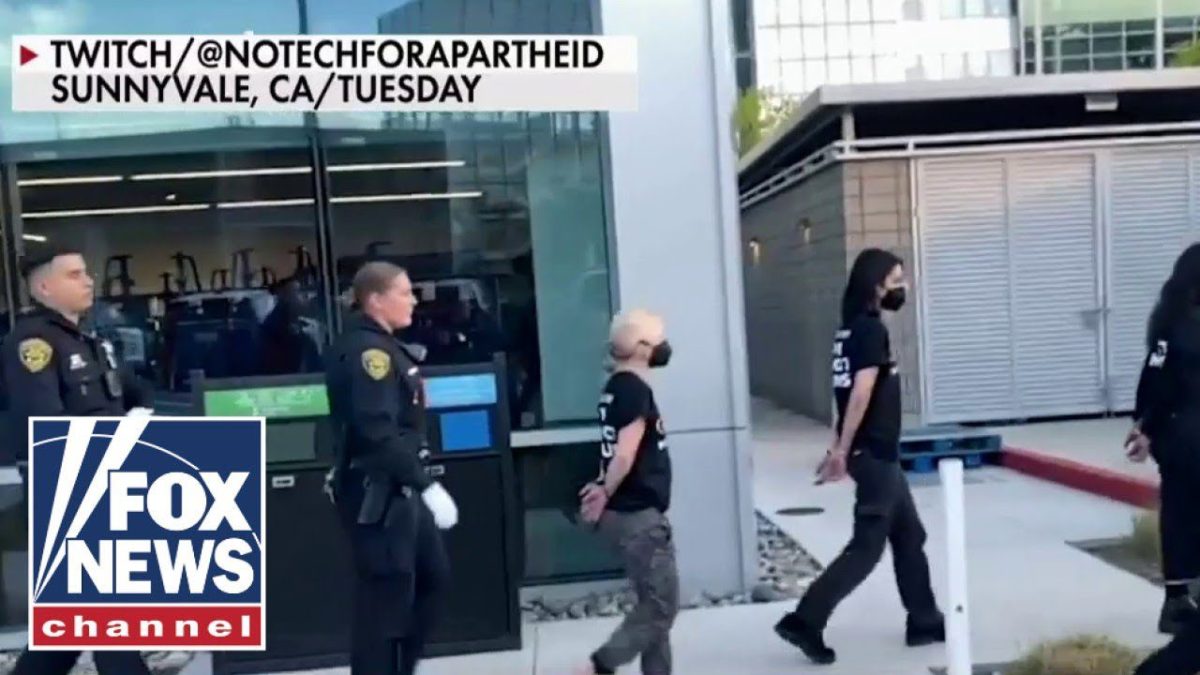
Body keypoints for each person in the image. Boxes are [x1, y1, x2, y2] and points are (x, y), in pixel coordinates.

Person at [774, 248, 944, 666]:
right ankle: (805, 621)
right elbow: (861, 394)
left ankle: (924, 620)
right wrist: (842, 449)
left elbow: (844, 394)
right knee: (866, 547)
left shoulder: (849, 330)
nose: (902, 287)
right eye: (896, 280)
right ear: (876, 284)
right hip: (875, 454)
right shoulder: (869, 331)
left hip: (878, 452)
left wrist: (839, 446)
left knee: (910, 536)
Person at [1, 246, 153, 675]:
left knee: (68, 633)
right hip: (69, 491)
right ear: (44, 287)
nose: (88, 281)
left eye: (86, 272)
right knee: (108, 621)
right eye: (74, 274)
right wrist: (117, 433)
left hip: (104, 483)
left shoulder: (91, 341)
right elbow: (44, 427)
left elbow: (133, 392)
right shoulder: (33, 344)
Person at [325, 261, 459, 675]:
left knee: (432, 580)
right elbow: (376, 431)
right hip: (378, 493)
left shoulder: (385, 347)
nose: (413, 300)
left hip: (400, 489)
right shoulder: (369, 354)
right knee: (385, 602)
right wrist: (427, 486)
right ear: (376, 300)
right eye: (404, 292)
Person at [576, 309, 680, 675]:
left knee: (651, 607)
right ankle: (598, 666)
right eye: (658, 340)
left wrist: (602, 487)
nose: (664, 346)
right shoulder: (634, 390)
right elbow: (624, 454)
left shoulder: (615, 388)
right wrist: (605, 490)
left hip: (629, 515)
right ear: (640, 347)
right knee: (661, 607)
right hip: (639, 518)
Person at [1124, 242, 1200, 635]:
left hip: (1175, 436)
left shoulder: (1168, 325)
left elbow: (1154, 381)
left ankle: (1176, 596)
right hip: (1190, 435)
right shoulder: (1185, 328)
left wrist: (1145, 427)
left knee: (1177, 513)